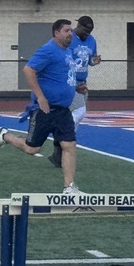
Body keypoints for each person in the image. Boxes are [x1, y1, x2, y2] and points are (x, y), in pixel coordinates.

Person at [0, 18, 82, 195]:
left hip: (63, 110)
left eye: (71, 31)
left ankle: (69, 187)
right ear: (56, 33)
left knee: (69, 146)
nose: (71, 34)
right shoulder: (48, 50)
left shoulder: (68, 51)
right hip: (44, 110)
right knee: (32, 149)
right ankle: (6, 136)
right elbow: (28, 70)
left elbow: (62, 76)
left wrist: (77, 87)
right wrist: (40, 97)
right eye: (67, 31)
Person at [50, 15, 101, 168]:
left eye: (90, 31)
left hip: (82, 82)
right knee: (79, 112)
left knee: (75, 120)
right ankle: (60, 137)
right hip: (68, 82)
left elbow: (90, 61)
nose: (87, 33)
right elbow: (60, 56)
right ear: (78, 26)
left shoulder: (92, 40)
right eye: (85, 30)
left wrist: (94, 61)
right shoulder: (69, 36)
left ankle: (59, 153)